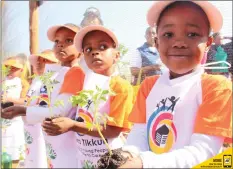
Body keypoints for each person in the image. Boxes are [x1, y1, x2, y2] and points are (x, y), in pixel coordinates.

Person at [99, 1, 232, 168]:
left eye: (192, 34)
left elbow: (204, 152)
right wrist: (126, 155)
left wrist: (143, 163)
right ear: (156, 42)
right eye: (168, 34)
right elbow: (139, 134)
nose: (179, 42)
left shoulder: (217, 87)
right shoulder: (148, 86)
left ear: (208, 43)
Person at [41, 25, 134, 168]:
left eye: (103, 47)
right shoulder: (84, 84)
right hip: (84, 158)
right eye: (88, 49)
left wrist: (73, 125)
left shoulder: (120, 87)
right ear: (83, 56)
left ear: (116, 55)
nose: (95, 52)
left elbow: (113, 131)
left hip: (109, 159)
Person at [2, 23, 82, 168]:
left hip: (67, 142)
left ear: (81, 50)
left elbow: (59, 111)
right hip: (54, 140)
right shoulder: (60, 73)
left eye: (69, 41)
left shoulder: (75, 73)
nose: (60, 45)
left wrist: (22, 110)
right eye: (57, 41)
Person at [23, 49, 58, 168]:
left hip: (42, 129)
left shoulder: (54, 80)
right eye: (38, 60)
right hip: (30, 128)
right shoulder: (36, 80)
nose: (39, 63)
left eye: (45, 60)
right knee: (32, 158)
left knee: (42, 160)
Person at [1, 57, 29, 162]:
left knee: (15, 147)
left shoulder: (23, 83)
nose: (10, 69)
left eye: (14, 68)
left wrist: (10, 99)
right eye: (7, 67)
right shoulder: (2, 81)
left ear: (21, 70)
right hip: (2, 119)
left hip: (16, 119)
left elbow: (26, 100)